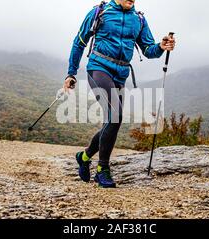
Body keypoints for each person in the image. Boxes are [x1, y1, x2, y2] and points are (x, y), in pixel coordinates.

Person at [64, 0, 176, 188]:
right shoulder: (100, 11)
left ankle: (83, 157)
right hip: (98, 67)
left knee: (112, 120)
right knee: (116, 115)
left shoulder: (138, 19)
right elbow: (79, 41)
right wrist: (71, 73)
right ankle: (102, 170)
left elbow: (149, 50)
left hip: (121, 73)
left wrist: (161, 47)